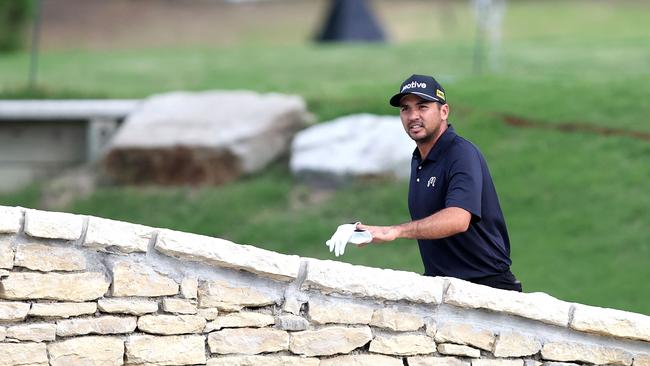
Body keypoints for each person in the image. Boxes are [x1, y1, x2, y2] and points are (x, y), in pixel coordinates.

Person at [328, 74, 522, 292]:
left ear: (444, 112)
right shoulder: (419, 159)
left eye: (422, 106)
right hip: (442, 287)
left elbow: (458, 219)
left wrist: (395, 231)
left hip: (487, 287)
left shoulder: (461, 154)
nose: (413, 116)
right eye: (405, 109)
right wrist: (372, 231)